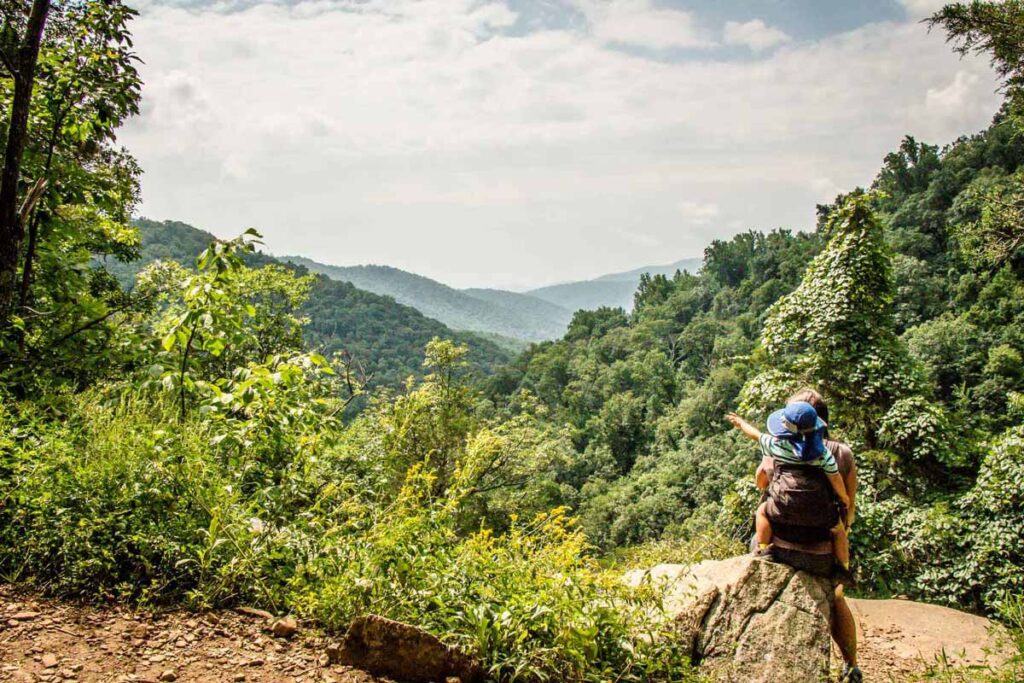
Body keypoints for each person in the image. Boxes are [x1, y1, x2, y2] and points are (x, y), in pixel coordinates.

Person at [746, 389, 862, 683]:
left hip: (780, 547)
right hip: (823, 555)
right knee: (837, 599)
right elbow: (849, 509)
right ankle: (851, 665)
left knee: (760, 526)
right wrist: (838, 538)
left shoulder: (780, 447)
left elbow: (761, 482)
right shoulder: (842, 454)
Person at [726, 401, 851, 570]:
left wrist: (741, 423)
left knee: (762, 511)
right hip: (819, 512)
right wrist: (844, 497)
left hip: (783, 507)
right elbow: (835, 478)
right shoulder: (823, 454)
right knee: (838, 529)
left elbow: (756, 435)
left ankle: (763, 550)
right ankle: (843, 568)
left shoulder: (778, 445)